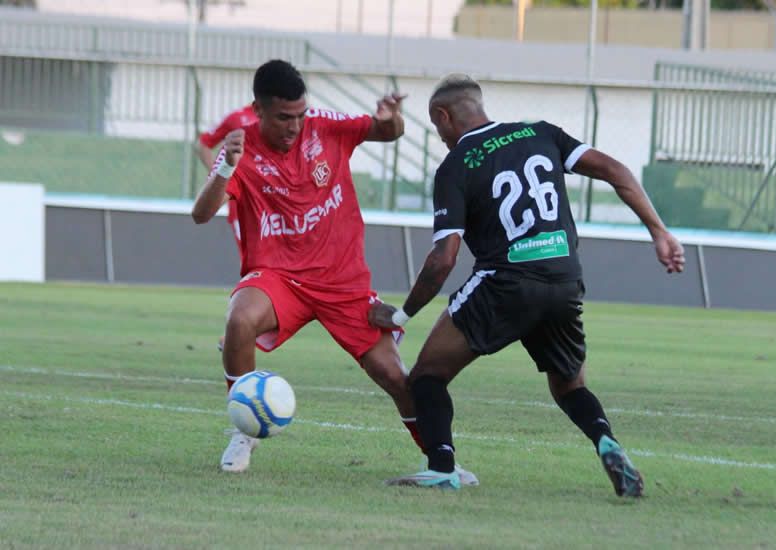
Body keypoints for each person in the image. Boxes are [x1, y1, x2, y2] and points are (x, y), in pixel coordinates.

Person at [369, 74, 686, 495]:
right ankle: (604, 440)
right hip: (563, 278)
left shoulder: (455, 166)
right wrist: (660, 232)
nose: (440, 136)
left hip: (506, 282)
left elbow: (444, 258)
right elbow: (615, 170)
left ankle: (442, 466)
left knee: (427, 375)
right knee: (569, 385)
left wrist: (401, 313)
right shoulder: (541, 134)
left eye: (437, 126)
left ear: (443, 117)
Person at [191, 60, 478, 483]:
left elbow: (388, 133)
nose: (295, 125)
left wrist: (391, 118)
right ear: (258, 110)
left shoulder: (325, 126)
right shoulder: (239, 149)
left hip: (343, 282)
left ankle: (441, 462)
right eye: (284, 117)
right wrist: (228, 167)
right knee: (239, 319)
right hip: (280, 277)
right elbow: (201, 214)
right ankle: (243, 429)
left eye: (300, 114)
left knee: (394, 376)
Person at [195, 105, 259, 351]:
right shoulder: (237, 119)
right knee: (254, 265)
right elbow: (203, 143)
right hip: (243, 209)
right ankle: (238, 332)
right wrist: (220, 177)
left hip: (275, 207)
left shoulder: (287, 122)